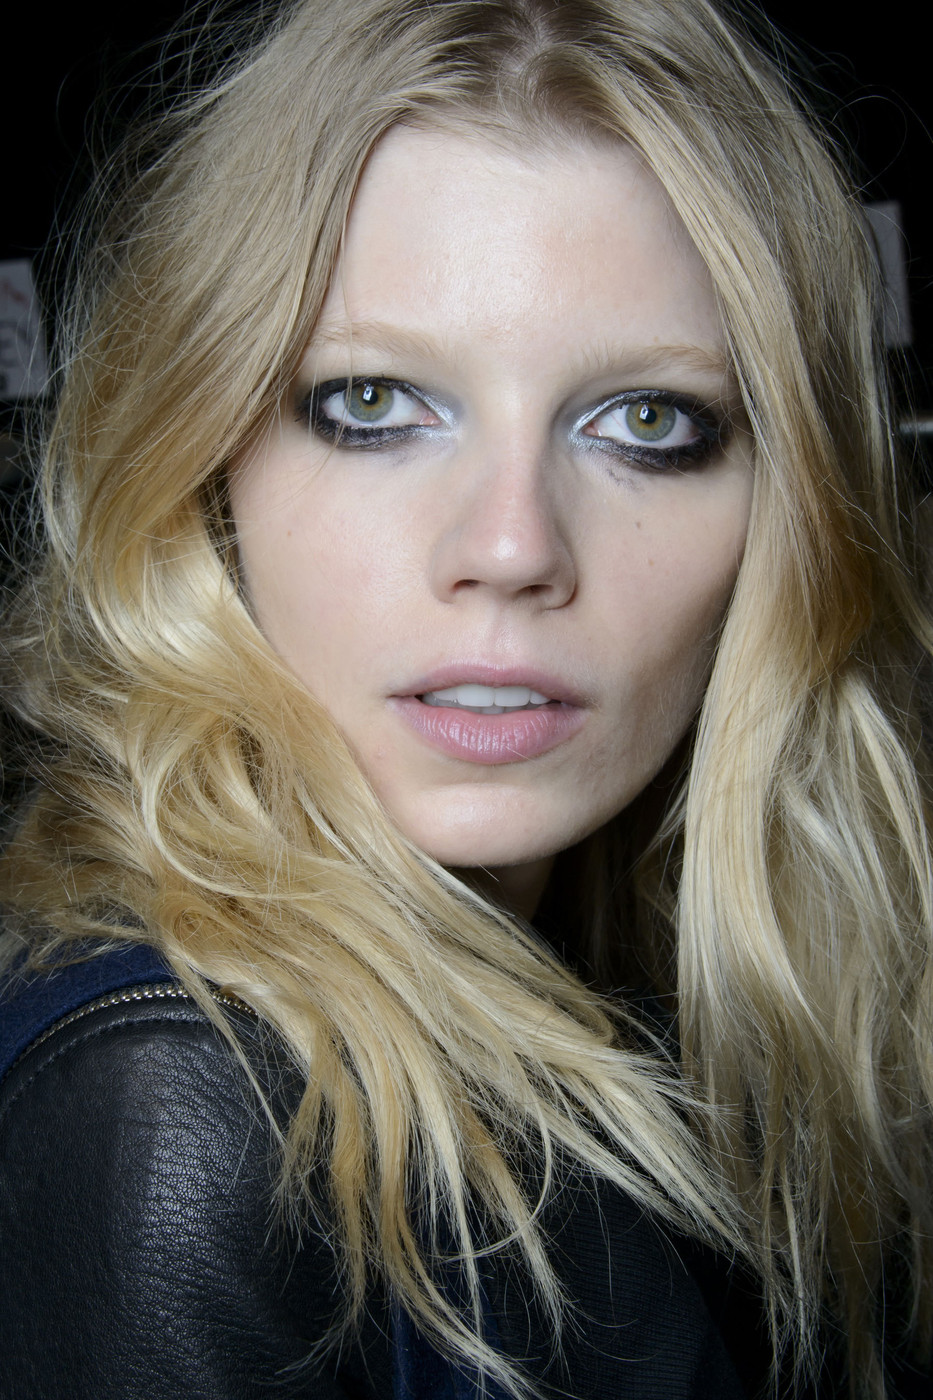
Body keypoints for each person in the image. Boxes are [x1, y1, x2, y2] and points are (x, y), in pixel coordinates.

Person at [1, 0, 931, 1396]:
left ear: (784, 508)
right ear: (207, 468)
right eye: (375, 405)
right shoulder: (182, 1099)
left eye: (647, 422)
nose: (510, 546)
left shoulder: (679, 991)